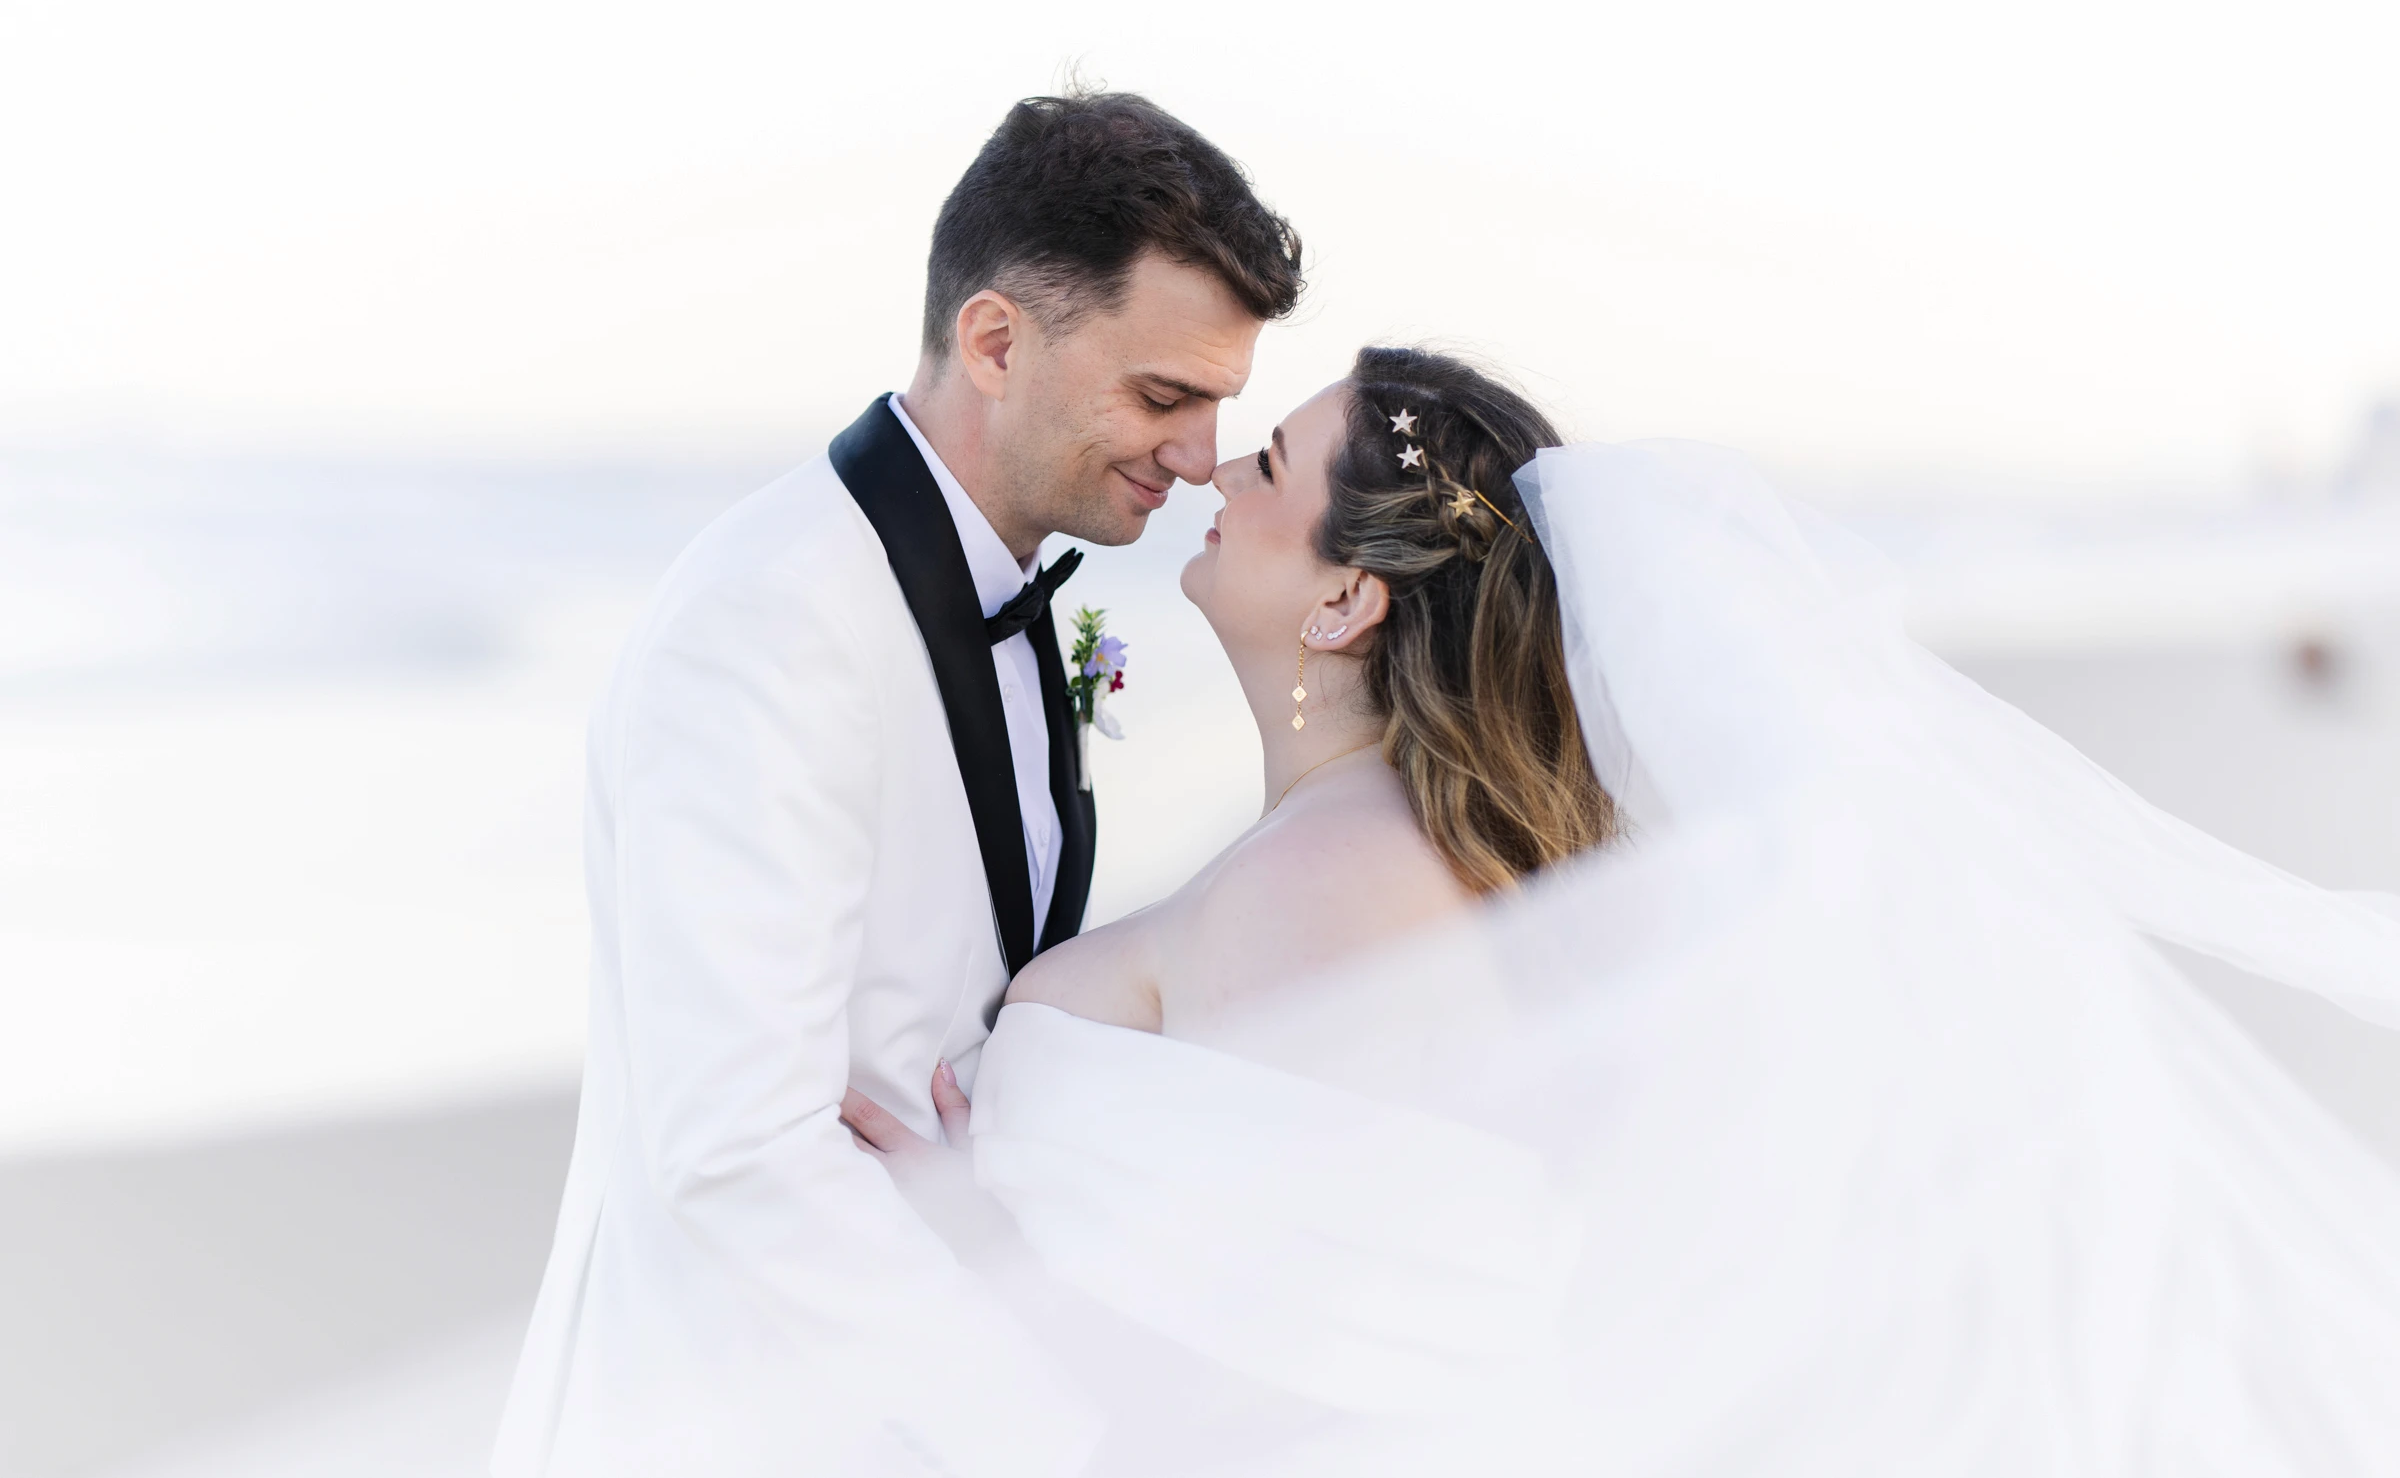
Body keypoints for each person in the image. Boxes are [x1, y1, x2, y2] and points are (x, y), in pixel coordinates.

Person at [847, 346, 2400, 1474]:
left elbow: (1310, 1392)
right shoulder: (1358, 852)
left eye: (1265, 469)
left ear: (1344, 598)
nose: (1213, 473)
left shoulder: (1344, 879)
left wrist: (972, 1267)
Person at [490, 90, 1302, 1478]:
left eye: (1217, 405)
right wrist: (1063, 1428)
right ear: (995, 341)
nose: (1197, 454)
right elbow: (737, 1153)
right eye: (1164, 397)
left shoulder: (1031, 599)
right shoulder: (772, 621)